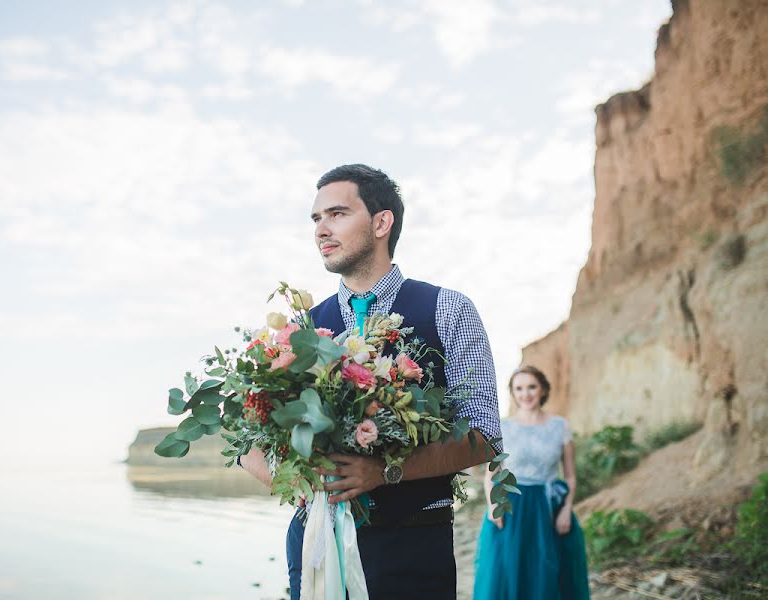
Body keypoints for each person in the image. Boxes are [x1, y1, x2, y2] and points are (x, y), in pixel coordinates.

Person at [239, 164, 502, 599]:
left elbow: (484, 435)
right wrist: (300, 480)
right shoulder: (299, 329)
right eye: (316, 219)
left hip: (412, 549)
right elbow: (246, 446)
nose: (321, 229)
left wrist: (385, 472)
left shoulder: (448, 310)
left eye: (337, 214)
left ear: (382, 222)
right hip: (315, 549)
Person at [473, 365, 590, 600]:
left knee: (548, 573)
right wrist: (492, 505)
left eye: (531, 387)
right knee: (509, 572)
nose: (525, 394)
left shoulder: (560, 426)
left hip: (549, 507)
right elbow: (491, 475)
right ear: (513, 393)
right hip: (510, 506)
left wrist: (566, 509)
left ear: (543, 389)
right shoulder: (502, 428)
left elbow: (570, 476)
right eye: (519, 388)